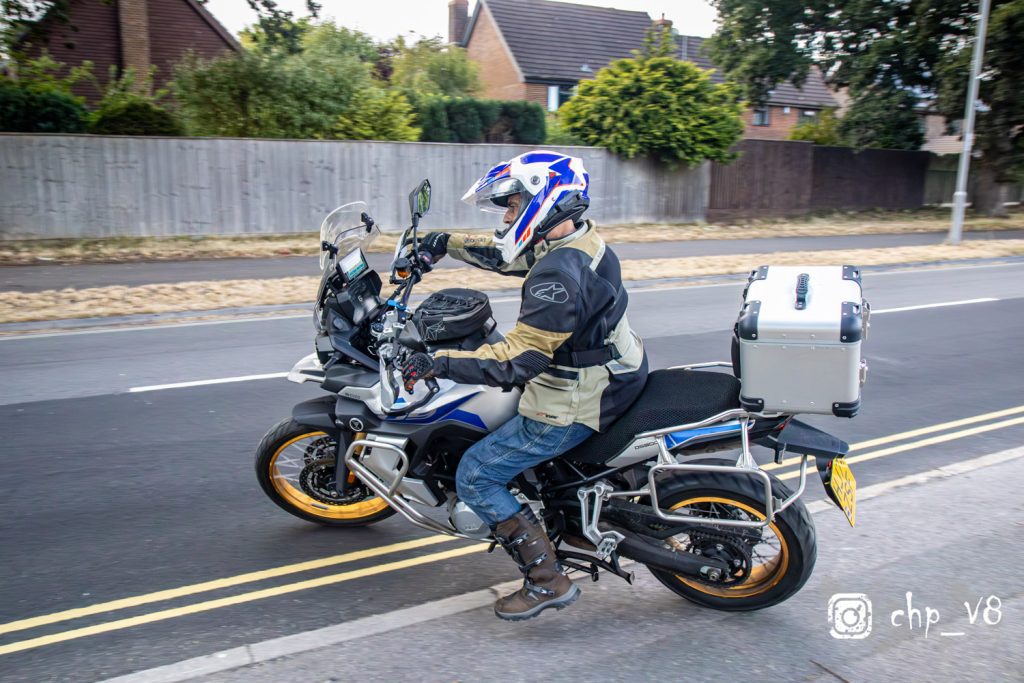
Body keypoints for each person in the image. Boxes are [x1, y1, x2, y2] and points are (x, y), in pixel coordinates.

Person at [401, 150, 648, 621]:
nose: (508, 214)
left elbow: (520, 360)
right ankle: (570, 522)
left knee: (475, 473)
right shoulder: (577, 240)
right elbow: (505, 253)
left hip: (577, 396)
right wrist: (441, 243)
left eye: (513, 204)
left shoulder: (555, 274)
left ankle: (546, 580)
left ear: (545, 199)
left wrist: (435, 363)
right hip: (617, 368)